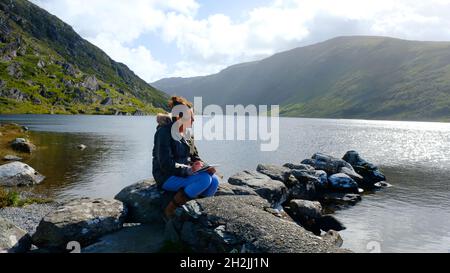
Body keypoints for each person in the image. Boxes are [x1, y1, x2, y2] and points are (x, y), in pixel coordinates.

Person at [152, 96, 219, 219]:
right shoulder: (164, 133)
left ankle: (198, 210)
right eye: (190, 118)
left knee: (214, 180)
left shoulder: (187, 134)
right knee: (204, 180)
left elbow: (195, 157)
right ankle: (170, 210)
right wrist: (188, 170)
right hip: (166, 176)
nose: (193, 120)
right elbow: (165, 164)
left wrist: (205, 167)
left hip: (182, 173)